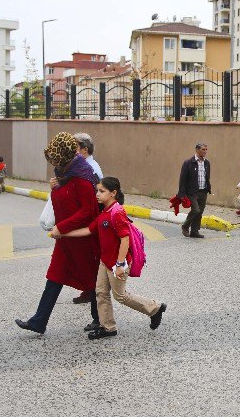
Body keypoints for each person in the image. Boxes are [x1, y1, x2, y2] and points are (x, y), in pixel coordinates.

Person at [57, 177, 166, 340]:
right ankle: (108, 327)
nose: (97, 195)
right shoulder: (104, 212)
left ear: (113, 193)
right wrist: (63, 234)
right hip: (105, 260)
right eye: (97, 191)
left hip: (117, 263)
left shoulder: (117, 212)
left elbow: (125, 239)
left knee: (120, 296)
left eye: (102, 191)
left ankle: (154, 308)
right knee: (101, 292)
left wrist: (120, 264)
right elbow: (88, 230)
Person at [15, 132, 100, 334]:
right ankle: (38, 321)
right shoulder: (64, 173)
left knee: (93, 279)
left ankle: (101, 319)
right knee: (55, 276)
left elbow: (88, 211)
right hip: (65, 238)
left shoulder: (83, 176)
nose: (53, 162)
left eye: (55, 158)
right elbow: (63, 202)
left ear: (65, 156)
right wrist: (54, 189)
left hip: (82, 239)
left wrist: (62, 227)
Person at [68, 133, 103, 305]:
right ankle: (89, 289)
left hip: (89, 219)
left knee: (89, 257)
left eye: (75, 148)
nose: (73, 152)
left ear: (85, 149)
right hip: (85, 218)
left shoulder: (91, 169)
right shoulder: (82, 167)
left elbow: (93, 197)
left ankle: (93, 291)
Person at [177, 143, 211, 239]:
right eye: (203, 149)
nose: (205, 151)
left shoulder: (207, 163)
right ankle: (185, 226)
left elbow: (207, 177)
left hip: (203, 191)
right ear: (197, 150)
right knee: (195, 210)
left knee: (200, 212)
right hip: (192, 191)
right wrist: (181, 194)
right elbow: (182, 179)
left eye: (206, 149)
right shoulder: (188, 163)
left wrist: (208, 188)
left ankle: (195, 231)